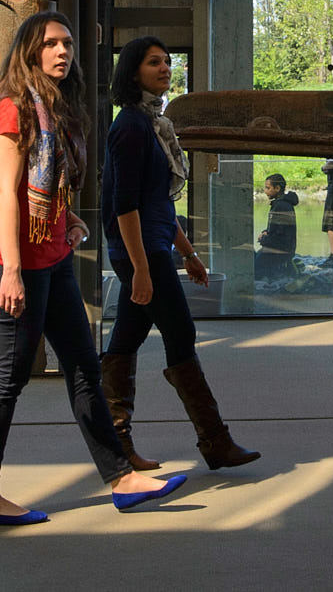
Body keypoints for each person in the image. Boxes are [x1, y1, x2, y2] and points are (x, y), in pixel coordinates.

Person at [0, 11, 184, 526]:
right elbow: (9, 196)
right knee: (8, 379)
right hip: (14, 264)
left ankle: (121, 478)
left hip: (53, 259)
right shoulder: (12, 109)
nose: (62, 51)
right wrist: (15, 271)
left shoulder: (57, 109)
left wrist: (68, 224)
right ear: (29, 51)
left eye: (67, 43)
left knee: (84, 368)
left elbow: (52, 189)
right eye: (51, 44)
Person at [102, 35, 258, 474]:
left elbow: (158, 203)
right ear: (133, 71)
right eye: (154, 62)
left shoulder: (153, 123)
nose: (165, 68)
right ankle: (216, 441)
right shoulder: (130, 126)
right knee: (180, 332)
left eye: (168, 61)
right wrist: (140, 269)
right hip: (139, 252)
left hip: (152, 248)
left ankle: (118, 445)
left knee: (126, 341)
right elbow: (125, 205)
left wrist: (187, 253)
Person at [255, 173, 299, 284]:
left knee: (255, 270)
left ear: (277, 188)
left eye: (268, 188)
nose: (265, 191)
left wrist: (264, 240)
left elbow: (282, 237)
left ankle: (280, 268)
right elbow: (276, 228)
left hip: (281, 251)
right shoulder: (280, 204)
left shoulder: (281, 206)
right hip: (281, 248)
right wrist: (265, 232)